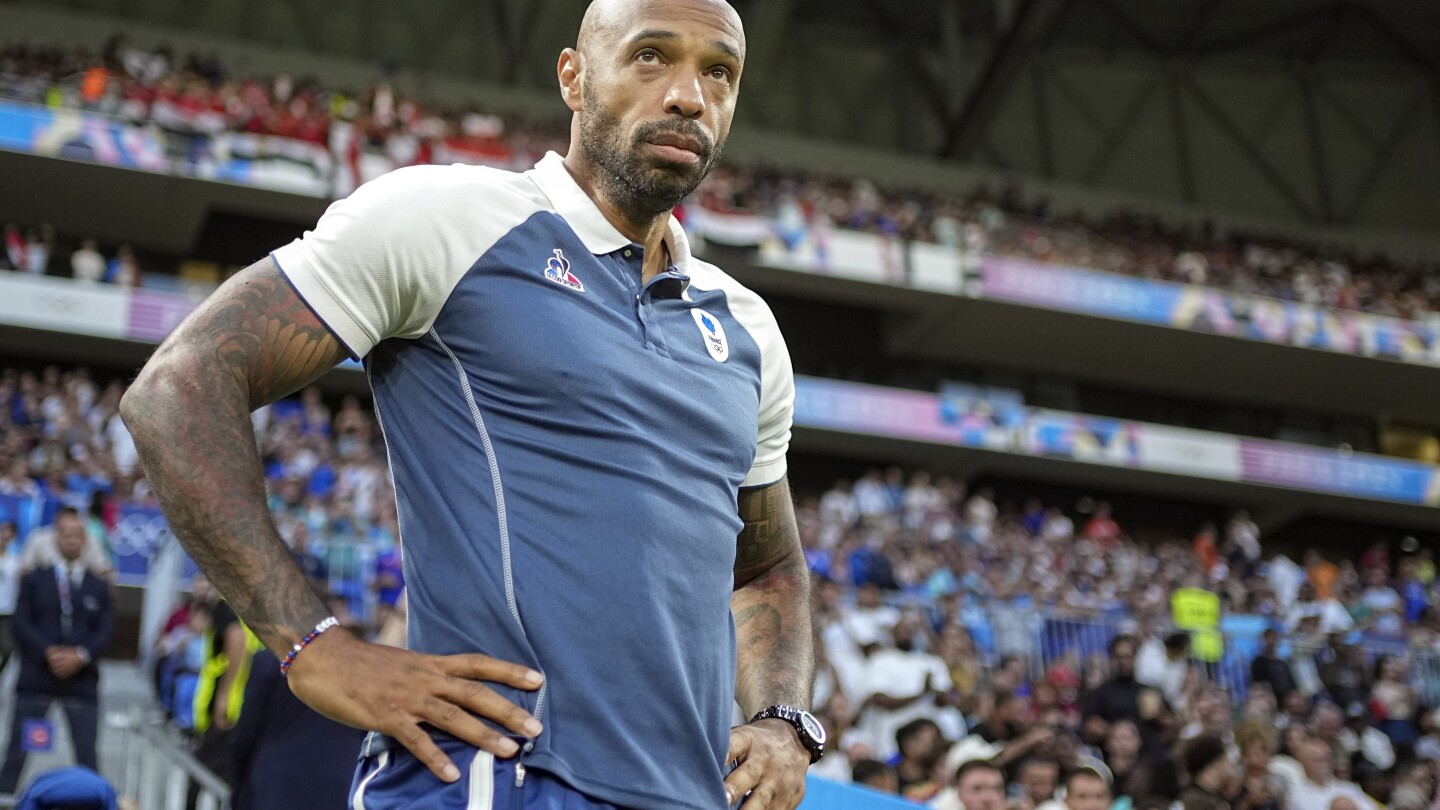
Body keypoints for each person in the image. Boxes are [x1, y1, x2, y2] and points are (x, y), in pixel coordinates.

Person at [120, 2, 816, 809]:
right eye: (652, 57)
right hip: (488, 778)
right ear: (574, 77)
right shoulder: (451, 219)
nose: (689, 96)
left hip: (689, 793)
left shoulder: (746, 325)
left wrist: (782, 721)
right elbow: (180, 386)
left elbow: (769, 565)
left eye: (718, 70)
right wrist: (315, 647)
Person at [0, 509, 114, 793]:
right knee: (16, 751)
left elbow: (105, 629)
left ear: (85, 540)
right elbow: (21, 622)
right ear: (56, 538)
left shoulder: (98, 586)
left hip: (81, 681)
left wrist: (80, 655)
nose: (71, 541)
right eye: (66, 535)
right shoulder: (34, 580)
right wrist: (48, 651)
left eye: (77, 535)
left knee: (86, 753)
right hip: (37, 677)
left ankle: (91, 799)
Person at [229, 647, 367, 810]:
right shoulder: (359, 664)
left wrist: (238, 785)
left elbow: (246, 734)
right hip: (340, 783)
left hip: (276, 784)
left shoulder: (271, 660)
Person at [1249, 629, 1296, 706]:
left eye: (1274, 638)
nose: (1271, 641)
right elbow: (1257, 683)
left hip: (1284, 702)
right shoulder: (1258, 662)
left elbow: (1291, 684)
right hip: (1266, 700)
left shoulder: (1283, 663)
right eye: (1268, 638)